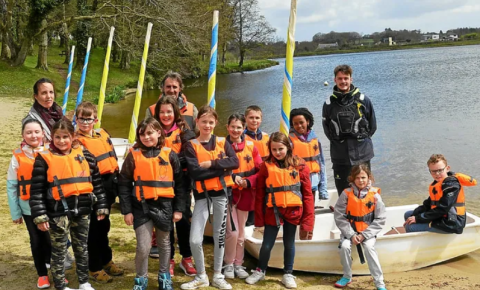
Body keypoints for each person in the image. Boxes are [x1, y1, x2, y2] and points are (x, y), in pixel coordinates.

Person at [29, 120, 109, 290]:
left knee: (82, 249)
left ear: (72, 136)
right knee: (58, 252)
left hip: (83, 210)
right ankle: (60, 285)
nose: (62, 141)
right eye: (57, 137)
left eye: (66, 137)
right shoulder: (43, 159)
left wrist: (101, 204)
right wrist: (40, 215)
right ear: (52, 137)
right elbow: (36, 191)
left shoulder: (84, 155)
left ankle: (84, 282)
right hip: (57, 213)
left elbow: (97, 182)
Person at [118, 117, 187, 290]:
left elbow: (180, 185)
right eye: (142, 134)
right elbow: (124, 184)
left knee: (164, 244)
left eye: (150, 133)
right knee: (143, 246)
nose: (146, 137)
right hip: (140, 206)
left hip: (164, 206)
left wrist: (179, 209)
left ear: (158, 132)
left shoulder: (170, 155)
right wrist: (126, 211)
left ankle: (164, 277)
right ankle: (141, 279)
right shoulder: (133, 156)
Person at [246, 132, 314, 289]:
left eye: (280, 149)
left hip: (293, 211)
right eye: (274, 149)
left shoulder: (301, 166)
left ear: (288, 147)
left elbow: (308, 196)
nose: (277, 152)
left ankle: (288, 273)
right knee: (267, 244)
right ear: (270, 149)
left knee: (289, 243)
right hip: (273, 211)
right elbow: (260, 196)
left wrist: (307, 223)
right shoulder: (266, 167)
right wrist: (259, 221)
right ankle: (260, 270)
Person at [181, 105, 239, 290]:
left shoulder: (223, 142)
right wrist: (222, 170)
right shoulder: (191, 145)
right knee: (195, 240)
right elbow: (195, 173)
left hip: (221, 195)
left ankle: (218, 276)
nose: (207, 125)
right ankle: (201, 276)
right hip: (201, 197)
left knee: (219, 237)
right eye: (204, 121)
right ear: (197, 122)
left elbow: (235, 162)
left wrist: (211, 163)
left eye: (211, 122)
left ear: (215, 123)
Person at [74, 102, 124, 283]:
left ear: (96, 119)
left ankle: (106, 259)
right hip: (94, 186)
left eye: (89, 119)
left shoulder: (102, 133)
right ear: (76, 119)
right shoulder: (76, 141)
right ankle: (93, 266)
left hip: (110, 184)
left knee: (104, 226)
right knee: (94, 228)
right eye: (82, 118)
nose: (86, 122)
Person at [152, 96, 197, 277]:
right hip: (160, 185)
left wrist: (170, 161)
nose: (165, 115)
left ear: (175, 112)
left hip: (181, 184)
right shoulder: (152, 131)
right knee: (165, 223)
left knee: (184, 220)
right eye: (162, 112)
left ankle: (186, 257)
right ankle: (168, 259)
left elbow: (190, 156)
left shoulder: (185, 131)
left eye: (169, 111)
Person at [7, 119, 52, 289]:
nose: (33, 135)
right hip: (27, 207)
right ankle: (42, 275)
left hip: (49, 205)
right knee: (36, 240)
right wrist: (15, 213)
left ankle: (51, 264)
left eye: (36, 132)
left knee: (50, 239)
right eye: (29, 132)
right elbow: (11, 186)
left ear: (42, 134)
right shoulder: (17, 156)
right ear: (23, 135)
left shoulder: (51, 152)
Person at [322, 65, 377, 196]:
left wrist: (359, 140)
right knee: (343, 192)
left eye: (346, 78)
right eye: (340, 78)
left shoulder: (364, 100)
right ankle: (345, 214)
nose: (343, 82)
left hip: (362, 154)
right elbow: (327, 130)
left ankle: (365, 214)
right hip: (340, 156)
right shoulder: (328, 103)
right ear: (335, 80)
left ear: (351, 79)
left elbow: (372, 126)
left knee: (364, 191)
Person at [333, 164, 386, 290]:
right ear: (352, 179)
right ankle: (347, 276)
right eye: (357, 178)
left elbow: (380, 219)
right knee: (345, 247)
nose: (360, 180)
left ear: (369, 178)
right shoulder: (346, 194)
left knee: (368, 247)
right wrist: (351, 235)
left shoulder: (375, 195)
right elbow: (339, 216)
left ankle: (379, 283)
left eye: (363, 177)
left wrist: (364, 235)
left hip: (368, 231)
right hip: (350, 231)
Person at [223, 113, 262, 280]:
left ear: (243, 128)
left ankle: (238, 263)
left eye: (239, 127)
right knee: (231, 232)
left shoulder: (251, 147)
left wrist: (249, 181)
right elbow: (216, 169)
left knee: (240, 234)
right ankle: (228, 263)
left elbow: (261, 171)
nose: (235, 130)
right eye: (233, 126)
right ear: (227, 127)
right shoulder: (221, 146)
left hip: (246, 194)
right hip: (228, 194)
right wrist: (233, 178)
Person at [404, 154, 476, 234]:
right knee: (408, 215)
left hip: (451, 222)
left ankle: (422, 244)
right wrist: (415, 215)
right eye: (434, 171)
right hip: (440, 217)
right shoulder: (437, 184)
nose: (437, 174)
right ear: (430, 171)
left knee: (410, 227)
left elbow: (443, 208)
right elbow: (428, 204)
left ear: (447, 169)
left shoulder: (451, 185)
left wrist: (418, 219)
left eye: (440, 170)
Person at [289, 108, 329, 201]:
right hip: (297, 181)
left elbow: (321, 163)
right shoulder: (289, 140)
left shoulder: (315, 140)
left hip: (313, 181)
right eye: (295, 123)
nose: (299, 126)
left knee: (310, 208)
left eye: (301, 122)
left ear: (307, 121)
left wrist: (323, 189)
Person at [243, 105, 269, 226]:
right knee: (252, 204)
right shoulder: (242, 137)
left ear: (261, 119)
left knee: (264, 202)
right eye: (251, 117)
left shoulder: (266, 136)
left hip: (265, 175)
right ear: (245, 118)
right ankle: (249, 224)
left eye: (257, 118)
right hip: (251, 175)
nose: (254, 120)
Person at [22, 78, 69, 143]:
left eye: (51, 92)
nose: (49, 96)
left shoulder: (58, 112)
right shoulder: (31, 120)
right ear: (36, 96)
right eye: (44, 93)